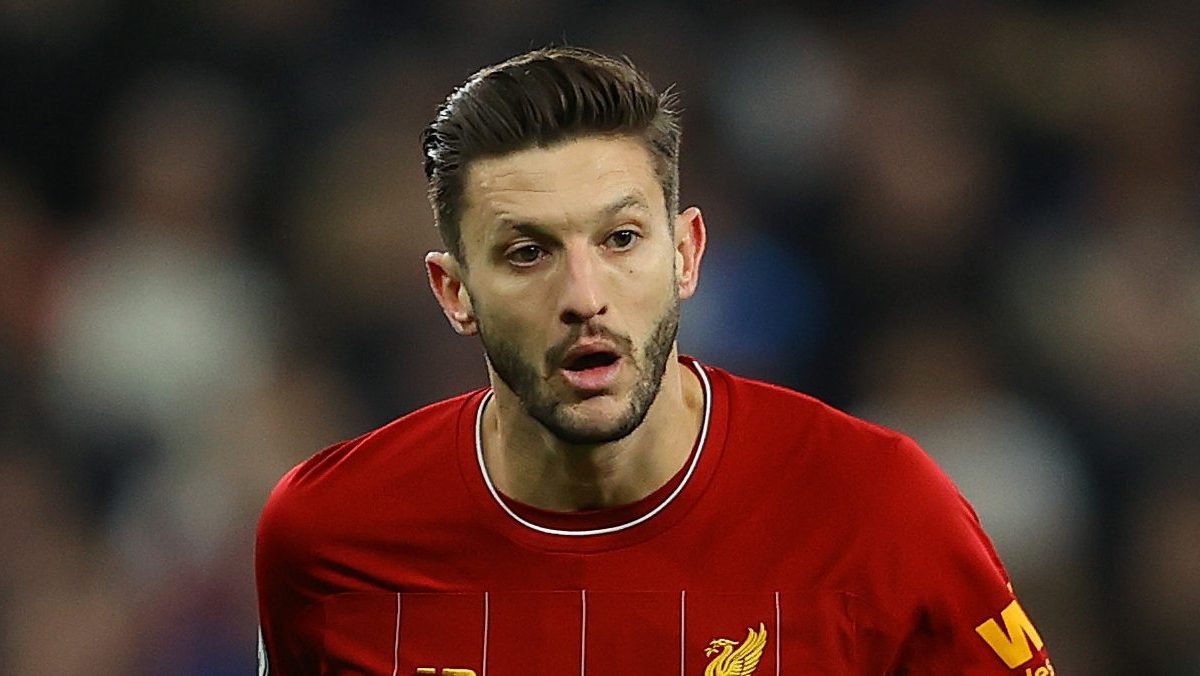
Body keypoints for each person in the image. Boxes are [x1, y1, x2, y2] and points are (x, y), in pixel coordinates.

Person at [255, 46, 1054, 675]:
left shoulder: (879, 507)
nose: (584, 296)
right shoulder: (329, 537)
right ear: (455, 292)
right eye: (528, 252)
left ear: (686, 254)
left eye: (620, 239)